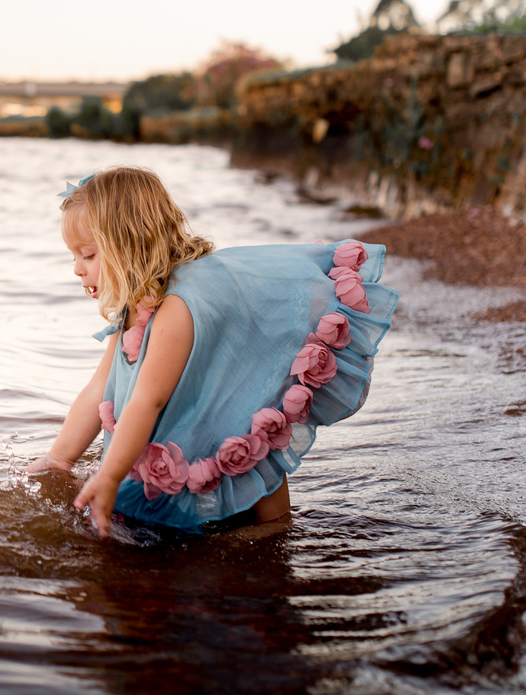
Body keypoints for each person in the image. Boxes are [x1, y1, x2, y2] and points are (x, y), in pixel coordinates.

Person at [27, 167, 398, 537]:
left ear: (128, 245)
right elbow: (99, 386)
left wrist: (108, 476)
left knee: (246, 446)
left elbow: (148, 400)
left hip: (219, 397)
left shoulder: (174, 308)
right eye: (73, 257)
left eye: (88, 255)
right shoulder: (134, 306)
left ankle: (275, 532)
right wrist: (59, 458)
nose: (77, 269)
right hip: (192, 404)